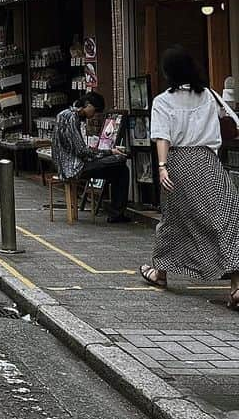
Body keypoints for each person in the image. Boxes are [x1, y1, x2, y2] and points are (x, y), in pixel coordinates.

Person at [141, 46, 239, 306]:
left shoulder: (162, 101)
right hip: (208, 161)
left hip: (178, 162)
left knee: (175, 218)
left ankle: (160, 272)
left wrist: (162, 166)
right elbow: (228, 117)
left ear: (168, 73)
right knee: (227, 216)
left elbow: (162, 135)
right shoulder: (208, 95)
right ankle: (237, 285)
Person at [52, 91, 131, 222]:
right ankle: (116, 214)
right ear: (88, 105)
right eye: (94, 111)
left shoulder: (64, 114)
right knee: (120, 162)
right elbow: (82, 151)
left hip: (66, 165)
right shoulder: (72, 118)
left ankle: (116, 213)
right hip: (74, 167)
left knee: (120, 170)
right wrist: (110, 152)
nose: (94, 115)